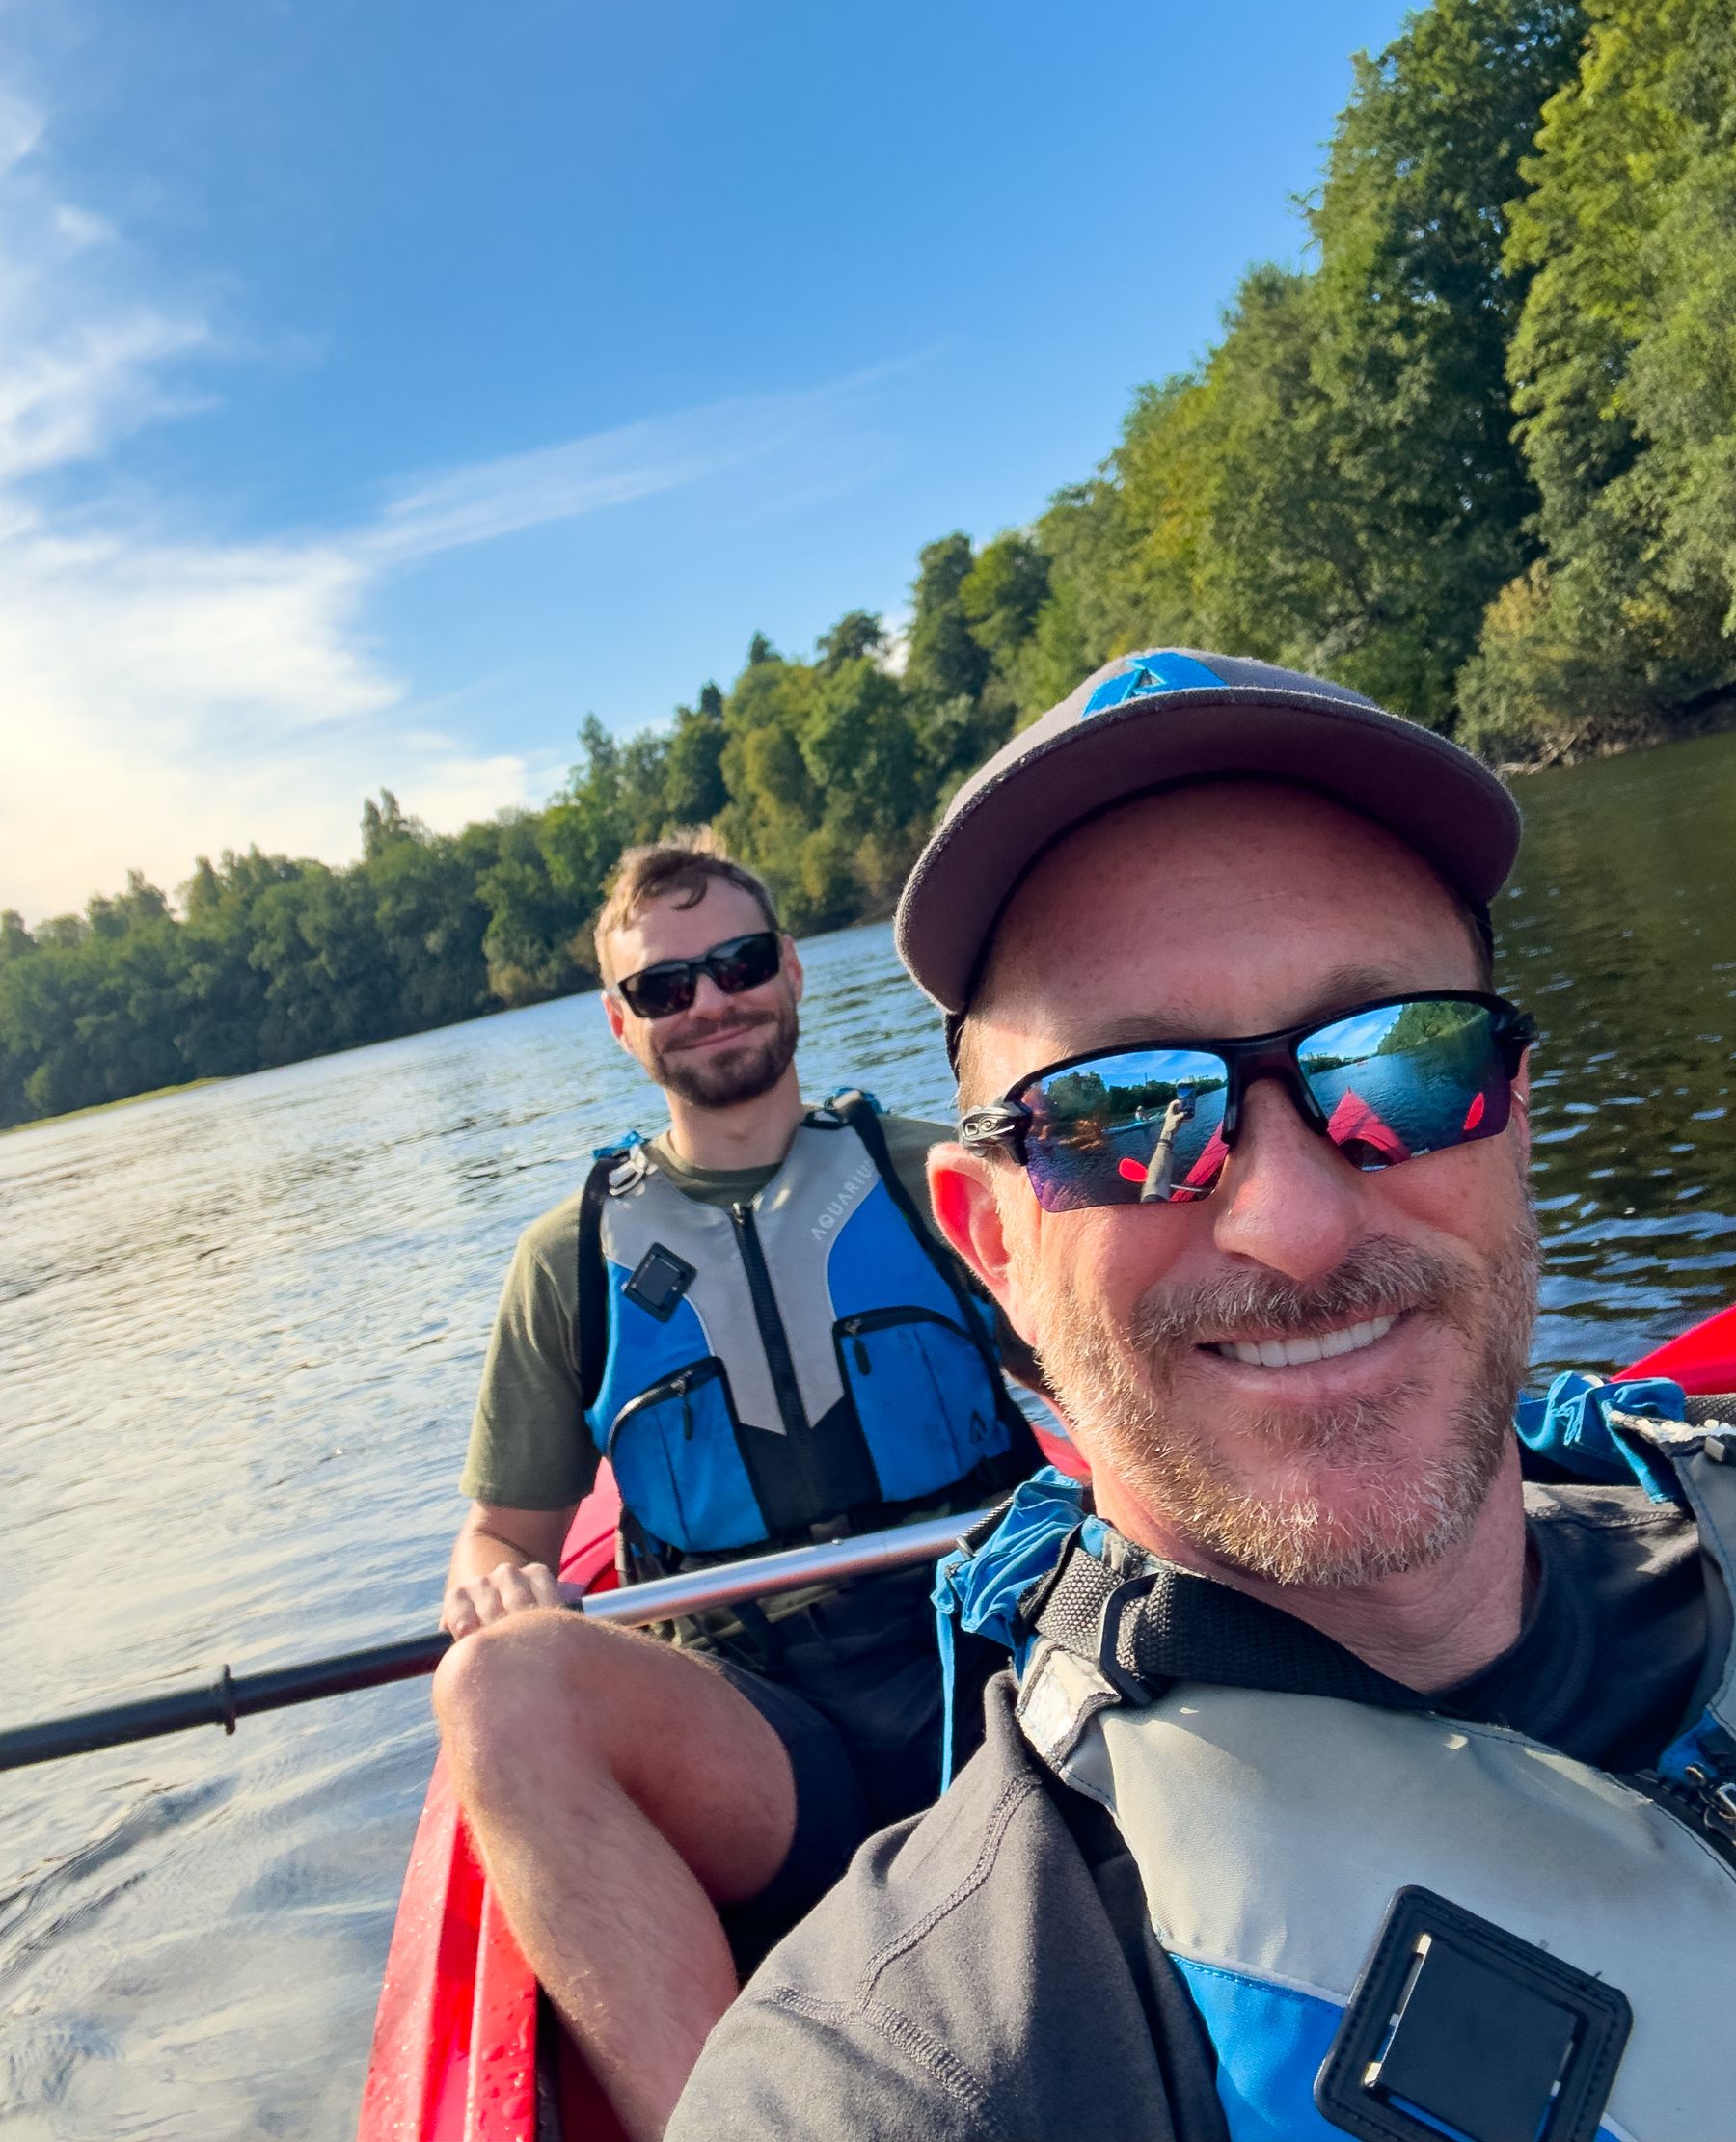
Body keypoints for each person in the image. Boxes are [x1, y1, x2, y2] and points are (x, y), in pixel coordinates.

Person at [667, 651, 1735, 2142]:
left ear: (1515, 1118)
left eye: (1404, 1064)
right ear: (993, 1247)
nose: (1293, 1224)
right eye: (1121, 1117)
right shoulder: (931, 2064)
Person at [431, 838, 1041, 2142]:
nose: (710, 1001)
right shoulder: (572, 1261)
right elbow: (497, 1534)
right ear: (622, 1022)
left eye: (738, 963)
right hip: (761, 1738)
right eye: (666, 988)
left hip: (1001, 1669)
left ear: (791, 970)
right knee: (495, 1688)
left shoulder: (934, 1181)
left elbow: (1121, 1391)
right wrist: (507, 1597)